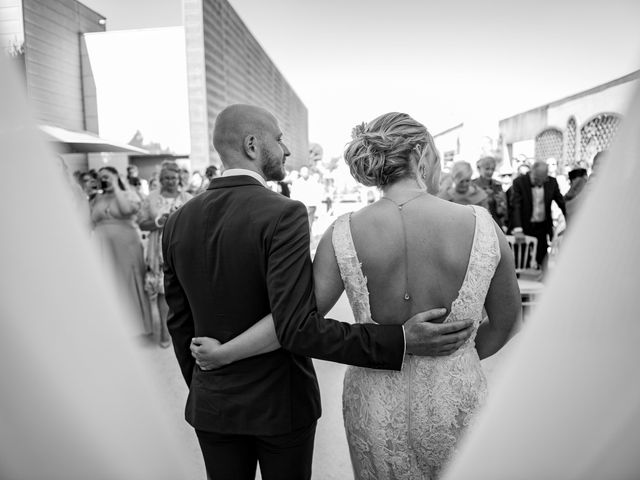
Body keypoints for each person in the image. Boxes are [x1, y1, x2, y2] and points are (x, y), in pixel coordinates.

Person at [189, 111, 521, 479]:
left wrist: (225, 353)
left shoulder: (343, 232)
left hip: (376, 398)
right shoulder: (481, 224)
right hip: (455, 397)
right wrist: (458, 359)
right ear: (421, 154)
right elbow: (507, 321)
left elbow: (296, 322)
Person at [90, 166, 152, 336]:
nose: (104, 179)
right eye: (101, 177)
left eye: (107, 176)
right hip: (103, 246)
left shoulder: (129, 194)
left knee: (130, 281)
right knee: (110, 282)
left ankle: (138, 327)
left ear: (116, 176)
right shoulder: (97, 198)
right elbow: (91, 220)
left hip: (127, 245)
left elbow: (126, 210)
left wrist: (116, 187)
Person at [138, 161, 192, 348]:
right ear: (161, 180)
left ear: (179, 179)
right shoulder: (152, 198)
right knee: (162, 293)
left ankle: (187, 331)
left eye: (174, 178)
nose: (170, 181)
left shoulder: (188, 198)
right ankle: (163, 330)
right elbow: (141, 223)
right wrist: (158, 221)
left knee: (185, 291)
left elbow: (195, 225)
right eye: (167, 178)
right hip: (158, 250)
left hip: (182, 249)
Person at [511, 159, 567, 268]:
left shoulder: (551, 182)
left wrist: (571, 220)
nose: (541, 182)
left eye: (543, 179)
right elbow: (516, 206)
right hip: (525, 225)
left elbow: (562, 203)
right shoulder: (519, 182)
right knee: (523, 259)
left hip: (542, 227)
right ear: (532, 173)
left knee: (543, 259)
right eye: (537, 179)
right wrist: (518, 229)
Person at [473, 156, 508, 229]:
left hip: (495, 224)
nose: (490, 172)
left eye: (492, 169)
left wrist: (502, 202)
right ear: (479, 169)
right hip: (477, 224)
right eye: (487, 169)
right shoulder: (473, 185)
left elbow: (501, 213)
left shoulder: (497, 185)